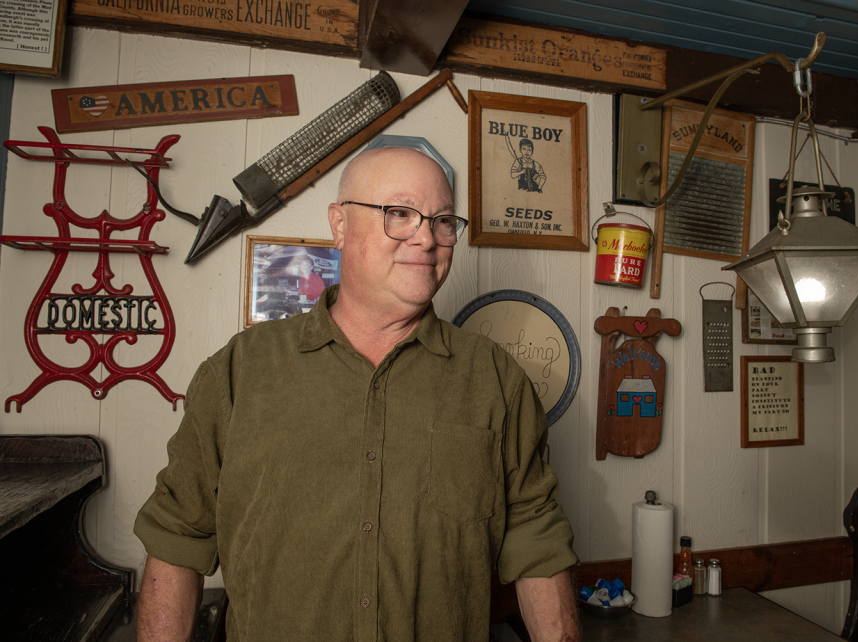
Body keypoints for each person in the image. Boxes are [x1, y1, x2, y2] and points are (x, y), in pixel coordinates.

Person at [134, 146, 580, 642]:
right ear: (340, 225)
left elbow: (537, 540)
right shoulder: (239, 373)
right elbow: (177, 536)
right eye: (401, 214)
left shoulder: (496, 380)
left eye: (443, 221)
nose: (427, 238)